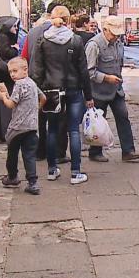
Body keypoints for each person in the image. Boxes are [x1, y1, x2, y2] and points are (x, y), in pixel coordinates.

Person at [31, 15, 94, 184]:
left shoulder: (43, 41)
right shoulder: (75, 40)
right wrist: (88, 95)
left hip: (51, 89)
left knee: (51, 129)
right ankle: (75, 172)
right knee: (73, 130)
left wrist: (37, 93)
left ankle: (52, 170)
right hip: (73, 89)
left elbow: (37, 70)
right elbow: (83, 70)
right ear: (67, 21)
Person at [85, 16, 139, 162]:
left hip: (116, 89)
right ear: (105, 30)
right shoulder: (94, 45)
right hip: (98, 91)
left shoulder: (118, 43)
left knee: (123, 117)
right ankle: (95, 151)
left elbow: (119, 64)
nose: (116, 36)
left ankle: (128, 151)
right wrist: (106, 78)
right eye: (113, 33)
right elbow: (88, 71)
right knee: (98, 121)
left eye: (118, 33)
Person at [23, 5, 70, 163]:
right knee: (59, 119)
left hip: (37, 81)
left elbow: (24, 56)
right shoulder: (60, 33)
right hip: (56, 82)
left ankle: (40, 151)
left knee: (40, 118)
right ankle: (58, 153)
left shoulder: (31, 33)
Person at [0, 57, 46, 195]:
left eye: (15, 71)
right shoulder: (32, 83)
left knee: (12, 154)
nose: (12, 74)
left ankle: (12, 177)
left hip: (17, 128)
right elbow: (43, 98)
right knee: (29, 155)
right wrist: (36, 109)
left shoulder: (19, 84)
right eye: (10, 72)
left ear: (25, 70)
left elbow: (11, 104)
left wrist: (3, 97)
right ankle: (33, 183)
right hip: (31, 127)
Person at [0, 16, 20, 142]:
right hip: (4, 74)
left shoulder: (2, 36)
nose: (16, 28)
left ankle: (3, 131)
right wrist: (15, 49)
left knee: (3, 102)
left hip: (1, 74)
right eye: (14, 26)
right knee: (6, 102)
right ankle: (6, 130)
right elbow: (6, 53)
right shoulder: (4, 38)